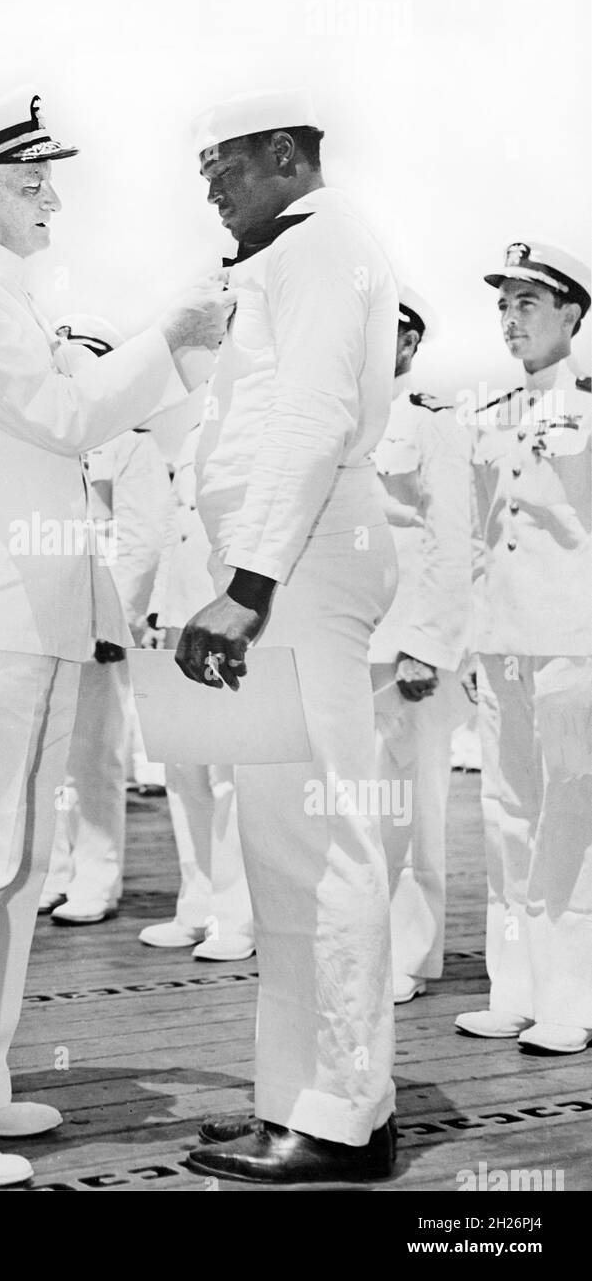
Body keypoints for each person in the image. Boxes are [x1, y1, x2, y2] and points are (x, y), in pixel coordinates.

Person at [0, 89, 233, 1188]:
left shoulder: (5, 297)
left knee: (10, 866)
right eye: (31, 185)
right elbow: (68, 420)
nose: (52, 200)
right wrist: (172, 333)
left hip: (33, 615)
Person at [175, 89, 400, 1184]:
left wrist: (249, 582)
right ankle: (293, 1101)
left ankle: (345, 1114)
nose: (207, 185)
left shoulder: (322, 246)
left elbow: (309, 412)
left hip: (299, 567)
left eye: (220, 163)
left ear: (281, 153)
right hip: (279, 566)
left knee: (325, 836)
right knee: (281, 846)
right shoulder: (286, 254)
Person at [455, 241, 592, 1054]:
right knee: (506, 812)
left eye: (528, 304)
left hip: (572, 640)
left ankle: (569, 1001)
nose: (510, 320)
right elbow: (480, 541)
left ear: (572, 314)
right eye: (502, 305)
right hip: (505, 640)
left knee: (572, 813)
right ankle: (515, 990)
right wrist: (476, 641)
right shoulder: (489, 414)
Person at [39, 313, 176, 926]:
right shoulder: (51, 443)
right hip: (50, 619)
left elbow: (142, 538)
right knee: (52, 751)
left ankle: (97, 878)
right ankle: (59, 870)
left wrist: (113, 620)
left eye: (73, 360)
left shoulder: (131, 441)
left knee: (95, 753)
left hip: (98, 623)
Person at [369, 287, 471, 1004]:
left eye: (391, 335)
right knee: (356, 805)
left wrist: (425, 646)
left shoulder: (429, 424)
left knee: (410, 801)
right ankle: (363, 945)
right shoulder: (337, 419)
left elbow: (449, 539)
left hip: (406, 641)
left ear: (410, 345)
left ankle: (410, 955)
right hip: (348, 640)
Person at [139, 426, 255, 960]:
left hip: (223, 614)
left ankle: (235, 920)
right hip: (179, 617)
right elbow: (175, 529)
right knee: (183, 772)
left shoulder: (259, 412)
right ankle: (197, 906)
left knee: (228, 774)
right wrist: (158, 611)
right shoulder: (192, 432)